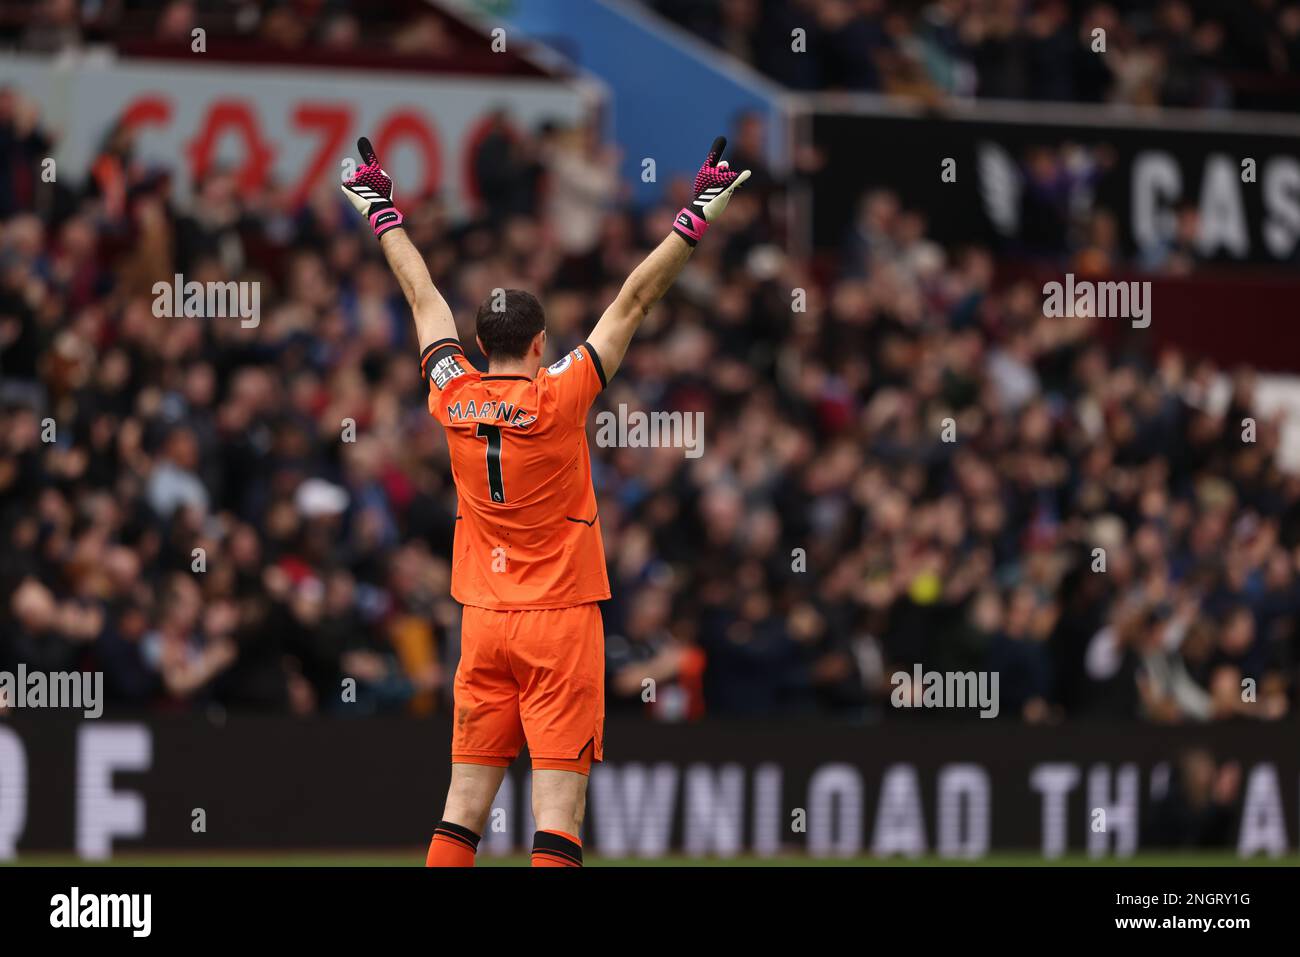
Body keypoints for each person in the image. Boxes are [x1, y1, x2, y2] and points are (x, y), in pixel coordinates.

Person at [340, 136, 750, 867]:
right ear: (539, 344)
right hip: (559, 620)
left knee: (463, 803)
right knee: (557, 810)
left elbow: (419, 292)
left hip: (484, 618)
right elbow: (636, 298)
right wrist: (695, 214)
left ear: (476, 342)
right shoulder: (561, 394)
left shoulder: (451, 391)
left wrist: (381, 210)